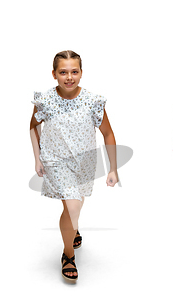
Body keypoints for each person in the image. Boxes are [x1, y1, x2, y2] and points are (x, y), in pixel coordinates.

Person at [29, 50, 118, 282]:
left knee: (76, 206)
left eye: (74, 71)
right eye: (63, 72)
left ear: (81, 73)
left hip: (84, 164)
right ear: (54, 74)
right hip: (56, 161)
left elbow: (108, 134)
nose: (69, 77)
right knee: (72, 208)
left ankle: (73, 228)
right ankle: (68, 255)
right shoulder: (45, 100)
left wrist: (113, 168)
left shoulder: (92, 101)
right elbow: (33, 127)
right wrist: (37, 158)